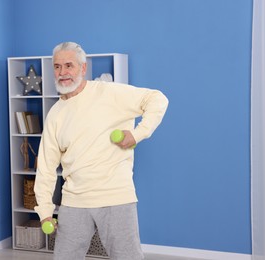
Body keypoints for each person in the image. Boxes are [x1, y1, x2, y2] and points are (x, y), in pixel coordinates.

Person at [34, 42, 169, 260]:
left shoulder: (110, 93)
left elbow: (157, 99)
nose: (63, 73)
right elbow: (47, 167)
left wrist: (137, 134)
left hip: (115, 196)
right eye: (57, 67)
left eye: (69, 65)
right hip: (74, 201)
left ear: (83, 68)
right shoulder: (56, 114)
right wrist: (45, 212)